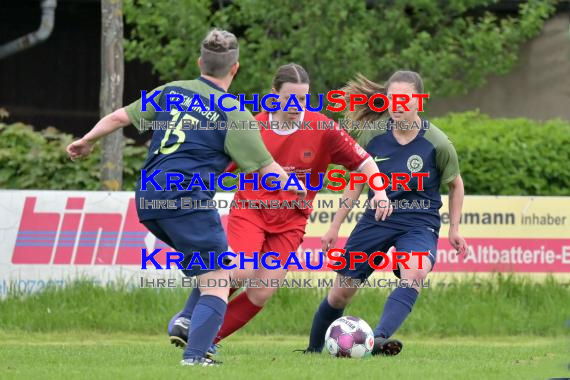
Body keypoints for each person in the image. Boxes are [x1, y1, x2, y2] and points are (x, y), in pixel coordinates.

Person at [66, 29, 305, 367]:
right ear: (234, 68)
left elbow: (120, 117)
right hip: (186, 199)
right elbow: (267, 169)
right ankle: (194, 357)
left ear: (200, 62)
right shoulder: (235, 115)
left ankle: (186, 320)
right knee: (219, 281)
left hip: (149, 200)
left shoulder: (170, 91)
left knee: (210, 270)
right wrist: (293, 186)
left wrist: (86, 140)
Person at [167, 63, 392, 353]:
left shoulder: (322, 128)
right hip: (251, 211)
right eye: (290, 99)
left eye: (303, 99)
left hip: (291, 222)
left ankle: (205, 340)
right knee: (241, 270)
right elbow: (216, 167)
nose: (297, 106)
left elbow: (364, 162)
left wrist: (381, 191)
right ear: (274, 94)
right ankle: (187, 317)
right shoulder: (252, 126)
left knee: (261, 292)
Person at [302, 71, 467, 356]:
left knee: (413, 273)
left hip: (419, 222)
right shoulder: (373, 136)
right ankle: (313, 349)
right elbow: (355, 182)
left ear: (419, 102)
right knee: (340, 293)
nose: (397, 105)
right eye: (392, 99)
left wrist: (454, 229)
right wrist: (334, 226)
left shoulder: (437, 143)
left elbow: (455, 184)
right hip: (376, 220)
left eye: (405, 99)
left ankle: (376, 339)